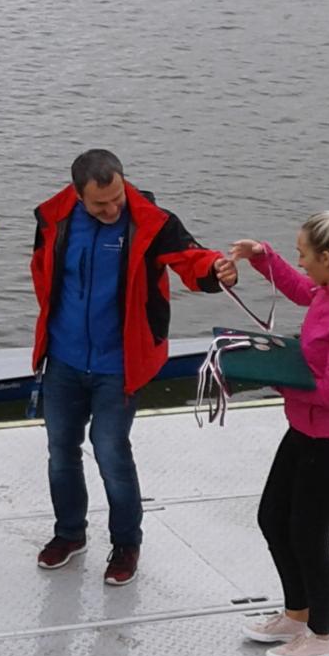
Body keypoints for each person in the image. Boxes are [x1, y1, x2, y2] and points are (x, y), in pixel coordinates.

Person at [31, 149, 236, 585]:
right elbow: (42, 273)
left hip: (119, 364)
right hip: (63, 359)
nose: (112, 210)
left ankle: (126, 543)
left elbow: (191, 259)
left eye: (117, 199)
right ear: (78, 195)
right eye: (100, 204)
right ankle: (69, 533)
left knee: (111, 451)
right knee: (60, 451)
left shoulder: (151, 222)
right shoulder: (53, 218)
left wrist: (216, 271)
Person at [229, 211, 329, 656]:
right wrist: (262, 256)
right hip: (302, 432)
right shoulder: (327, 291)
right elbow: (301, 290)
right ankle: (295, 614)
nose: (299, 262)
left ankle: (321, 636)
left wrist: (273, 375)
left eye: (303, 254)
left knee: (309, 537)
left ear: (327, 258)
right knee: (271, 519)